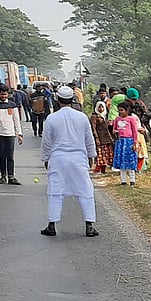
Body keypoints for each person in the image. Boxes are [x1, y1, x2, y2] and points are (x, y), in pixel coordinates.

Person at [40, 85, 99, 238]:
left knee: (55, 191)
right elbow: (89, 139)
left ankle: (52, 225)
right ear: (72, 99)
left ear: (58, 100)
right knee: (85, 190)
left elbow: (46, 142)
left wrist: (46, 159)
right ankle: (89, 226)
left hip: (58, 159)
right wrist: (92, 156)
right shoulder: (82, 117)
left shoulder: (52, 118)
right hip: (79, 159)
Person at [0, 84, 23, 184]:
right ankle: (3, 176)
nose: (4, 96)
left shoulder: (12, 105)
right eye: (2, 94)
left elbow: (16, 121)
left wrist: (19, 134)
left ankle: (11, 176)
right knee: (2, 156)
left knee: (10, 156)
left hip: (10, 134)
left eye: (5, 94)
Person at [111, 103, 142, 186]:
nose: (120, 112)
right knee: (121, 160)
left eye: (122, 110)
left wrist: (135, 142)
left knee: (130, 160)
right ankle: (123, 180)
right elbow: (114, 129)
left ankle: (132, 179)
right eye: (119, 110)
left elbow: (135, 131)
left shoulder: (131, 119)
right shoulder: (117, 119)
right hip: (120, 141)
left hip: (129, 141)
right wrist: (115, 132)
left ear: (127, 110)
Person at [91, 92, 114, 174]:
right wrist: (96, 138)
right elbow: (93, 127)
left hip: (107, 138)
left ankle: (103, 170)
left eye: (102, 107)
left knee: (107, 155)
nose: (101, 108)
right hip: (99, 138)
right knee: (100, 155)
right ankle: (97, 170)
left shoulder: (105, 116)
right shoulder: (94, 117)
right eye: (99, 107)